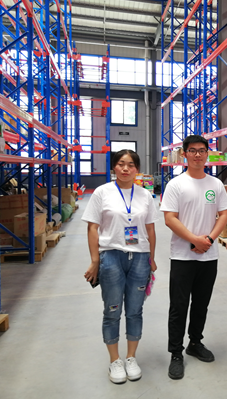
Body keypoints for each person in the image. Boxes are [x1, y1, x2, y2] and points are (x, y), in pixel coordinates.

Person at [82, 150, 158, 384]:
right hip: (111, 256)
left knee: (135, 310)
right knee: (112, 310)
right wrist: (95, 260)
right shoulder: (102, 192)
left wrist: (152, 258)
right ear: (114, 167)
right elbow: (92, 228)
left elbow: (151, 229)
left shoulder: (145, 195)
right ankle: (115, 360)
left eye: (131, 165)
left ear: (137, 169)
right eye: (121, 164)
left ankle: (131, 358)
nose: (126, 169)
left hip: (140, 258)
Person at [160, 134, 227, 380]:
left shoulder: (216, 184)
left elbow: (225, 214)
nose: (198, 155)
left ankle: (195, 342)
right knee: (179, 306)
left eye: (202, 150)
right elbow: (169, 218)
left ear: (207, 153)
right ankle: (176, 353)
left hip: (208, 257)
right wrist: (194, 240)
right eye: (192, 150)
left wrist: (208, 240)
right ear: (184, 154)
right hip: (182, 256)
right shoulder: (176, 184)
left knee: (201, 303)